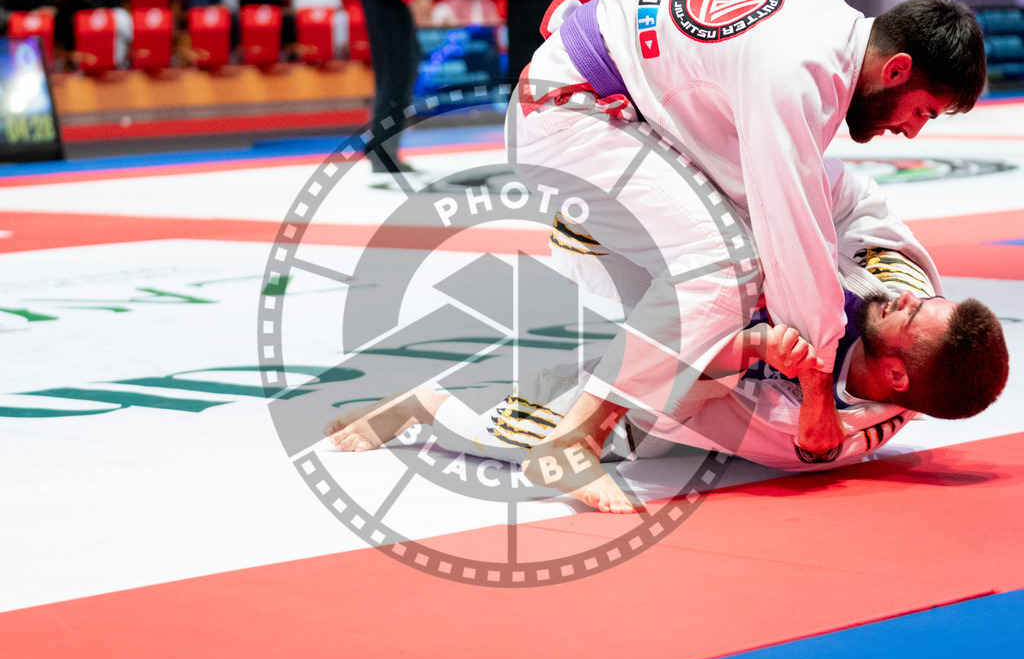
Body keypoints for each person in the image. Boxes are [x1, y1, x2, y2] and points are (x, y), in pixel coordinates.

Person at [322, 159, 1009, 512]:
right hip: (682, 275)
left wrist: (753, 353)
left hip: (667, 394)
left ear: (897, 377)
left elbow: (672, 404)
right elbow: (852, 192)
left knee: (556, 422)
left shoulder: (810, 435)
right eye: (925, 299)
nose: (908, 300)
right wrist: (764, 188)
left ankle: (420, 407)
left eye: (915, 317)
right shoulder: (899, 277)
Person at [504, 0, 988, 492]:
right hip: (576, 111)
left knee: (746, 232)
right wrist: (816, 383)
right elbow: (792, 235)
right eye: (924, 111)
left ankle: (608, 238)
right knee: (724, 261)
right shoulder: (799, 75)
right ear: (897, 70)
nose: (911, 131)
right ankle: (574, 441)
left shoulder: (819, 17)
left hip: (591, 91)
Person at [360, 0, 433, 173]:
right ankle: (383, 151)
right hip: (389, 1)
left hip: (394, 2)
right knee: (396, 73)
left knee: (401, 71)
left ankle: (381, 147)